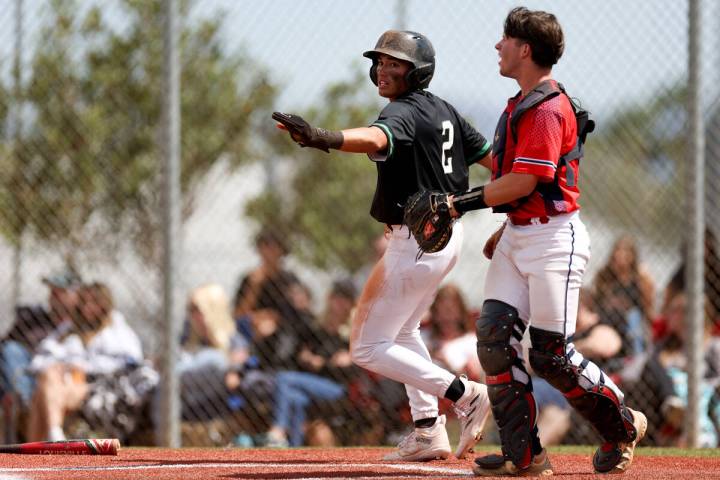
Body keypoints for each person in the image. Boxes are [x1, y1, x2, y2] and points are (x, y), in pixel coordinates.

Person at [441, 7, 646, 475]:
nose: (498, 46)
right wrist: (507, 226)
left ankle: (622, 426)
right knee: (493, 341)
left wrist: (458, 203)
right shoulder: (518, 104)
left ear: (525, 49)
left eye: (505, 40)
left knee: (552, 355)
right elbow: (516, 184)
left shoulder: (547, 108)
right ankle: (525, 456)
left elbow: (525, 182)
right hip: (521, 236)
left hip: (556, 241)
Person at [273, 30, 492, 461]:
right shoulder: (444, 110)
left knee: (367, 347)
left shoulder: (404, 112)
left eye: (396, 64)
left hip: (415, 243)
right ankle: (429, 430)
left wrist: (321, 136)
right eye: (381, 62)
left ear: (419, 71)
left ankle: (464, 394)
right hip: (445, 238)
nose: (384, 70)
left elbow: (376, 139)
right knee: (403, 332)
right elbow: (494, 158)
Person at [26, 282, 148, 442]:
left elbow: (131, 361)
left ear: (105, 304)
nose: (87, 307)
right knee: (47, 381)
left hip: (96, 386)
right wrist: (64, 366)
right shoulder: (68, 329)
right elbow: (39, 359)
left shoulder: (116, 330)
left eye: (94, 302)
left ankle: (36, 449)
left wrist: (83, 367)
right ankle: (52, 437)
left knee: (41, 397)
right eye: (84, 302)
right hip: (63, 383)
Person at [593, 235, 656, 360]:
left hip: (631, 323)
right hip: (608, 317)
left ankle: (636, 358)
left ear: (632, 256)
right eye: (617, 251)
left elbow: (648, 308)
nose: (620, 255)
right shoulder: (605, 275)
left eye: (625, 252)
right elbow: (598, 301)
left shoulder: (640, 278)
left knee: (634, 316)